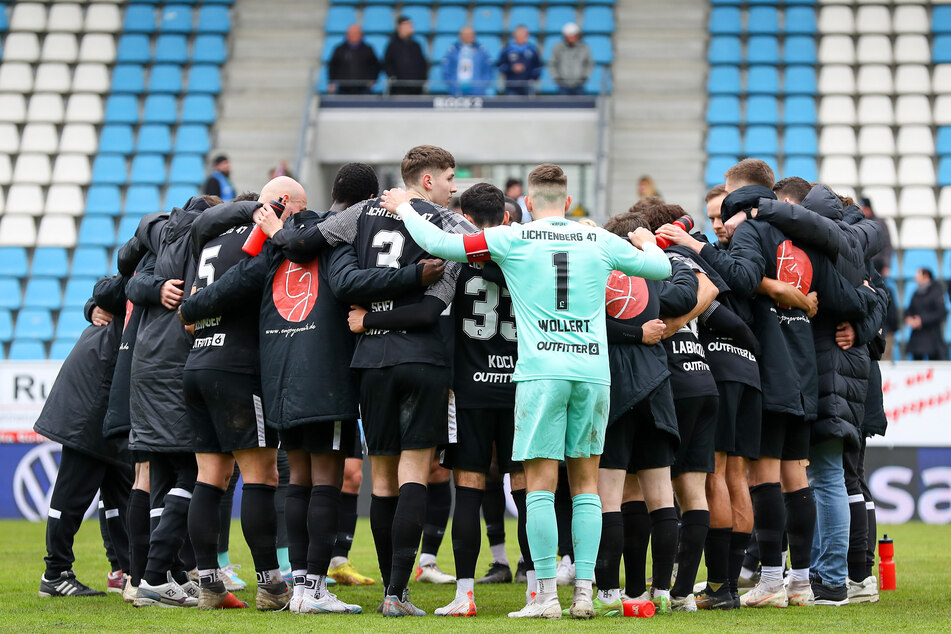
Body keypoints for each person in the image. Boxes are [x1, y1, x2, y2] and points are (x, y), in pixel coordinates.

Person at [378, 163, 672, 619]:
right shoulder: (597, 238)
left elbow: (439, 244)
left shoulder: (514, 237)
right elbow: (659, 266)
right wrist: (647, 241)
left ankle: (548, 599)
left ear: (530, 204)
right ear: (568, 200)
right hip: (593, 374)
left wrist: (405, 207)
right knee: (586, 488)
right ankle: (584, 595)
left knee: (538, 487)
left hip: (542, 373)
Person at [253, 146, 471, 617]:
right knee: (416, 474)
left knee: (383, 480)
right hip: (424, 358)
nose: (456, 187)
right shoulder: (448, 225)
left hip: (371, 362)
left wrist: (368, 320)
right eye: (451, 177)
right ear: (428, 181)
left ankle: (363, 590)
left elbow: (325, 262)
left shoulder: (359, 215)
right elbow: (436, 305)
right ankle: (396, 594)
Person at [181, 192, 299, 611]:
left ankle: (209, 583)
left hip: (197, 363)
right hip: (238, 367)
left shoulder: (211, 242)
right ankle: (271, 585)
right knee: (261, 477)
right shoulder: (260, 237)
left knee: (209, 477)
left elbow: (187, 315)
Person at [424, 183, 529, 616]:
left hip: (467, 391)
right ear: (507, 217)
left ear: (462, 213)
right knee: (527, 492)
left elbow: (437, 322)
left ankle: (464, 595)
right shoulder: (525, 259)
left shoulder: (454, 262)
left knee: (468, 489)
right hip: (521, 389)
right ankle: (537, 591)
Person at [593, 211, 694, 616]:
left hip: (613, 388)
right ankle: (660, 592)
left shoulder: (595, 276)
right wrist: (676, 259)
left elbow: (587, 322)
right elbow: (684, 296)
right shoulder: (655, 275)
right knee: (659, 497)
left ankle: (609, 593)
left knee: (609, 499)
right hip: (655, 387)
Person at [127, 195, 221, 608]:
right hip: (170, 371)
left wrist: (152, 284)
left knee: (162, 477)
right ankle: (151, 574)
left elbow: (129, 276)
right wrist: (157, 286)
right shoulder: (186, 248)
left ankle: (162, 574)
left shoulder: (163, 244)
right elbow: (127, 280)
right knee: (190, 471)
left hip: (153, 371)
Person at [35, 270, 139, 598]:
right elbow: (107, 288)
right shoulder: (148, 270)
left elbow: (106, 293)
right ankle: (56, 572)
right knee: (74, 490)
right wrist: (95, 303)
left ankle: (132, 573)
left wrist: (95, 303)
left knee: (122, 491)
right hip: (95, 397)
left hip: (107, 394)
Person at [905, 268, 948, 360]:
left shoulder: (936, 291)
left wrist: (922, 320)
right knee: (917, 365)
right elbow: (910, 309)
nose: (915, 277)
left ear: (926, 276)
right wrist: (909, 319)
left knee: (934, 365)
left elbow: (941, 312)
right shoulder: (916, 292)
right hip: (917, 338)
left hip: (933, 337)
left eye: (918, 274)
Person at [329, 24, 381, 95]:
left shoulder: (368, 49)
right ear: (347, 35)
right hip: (343, 89)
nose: (353, 35)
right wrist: (331, 82)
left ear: (361, 35)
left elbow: (376, 66)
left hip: (363, 89)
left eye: (356, 33)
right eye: (351, 33)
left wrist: (373, 80)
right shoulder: (339, 49)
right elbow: (333, 66)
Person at [442, 26, 495, 96]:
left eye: (471, 35)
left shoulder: (481, 51)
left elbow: (488, 69)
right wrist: (452, 83)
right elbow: (446, 68)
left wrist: (482, 85)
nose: (469, 37)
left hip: (477, 91)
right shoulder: (453, 50)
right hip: (456, 90)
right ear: (461, 36)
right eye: (466, 35)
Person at [384, 16, 428, 95]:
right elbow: (387, 64)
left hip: (416, 89)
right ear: (400, 27)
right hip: (398, 90)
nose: (411, 27)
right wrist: (394, 79)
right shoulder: (392, 45)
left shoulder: (416, 45)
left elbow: (422, 64)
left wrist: (422, 79)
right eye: (408, 25)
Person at [548, 23, 593, 95]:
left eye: (573, 35)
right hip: (563, 85)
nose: (571, 38)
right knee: (563, 105)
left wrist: (585, 77)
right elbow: (552, 64)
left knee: (581, 105)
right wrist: (557, 78)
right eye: (569, 35)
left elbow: (589, 63)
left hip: (579, 84)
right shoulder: (558, 47)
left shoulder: (584, 48)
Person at [498, 25, 542, 95]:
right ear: (514, 36)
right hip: (512, 85)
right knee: (511, 105)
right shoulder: (507, 50)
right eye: (519, 35)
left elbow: (538, 67)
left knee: (529, 105)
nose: (522, 37)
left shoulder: (532, 50)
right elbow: (501, 67)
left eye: (524, 35)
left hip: (527, 85)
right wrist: (512, 69)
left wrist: (531, 77)